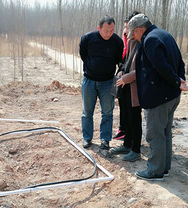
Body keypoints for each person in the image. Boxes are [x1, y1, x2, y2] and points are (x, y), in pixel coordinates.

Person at [127, 14, 188, 180]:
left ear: (140, 29)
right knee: (165, 132)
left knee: (155, 134)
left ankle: (155, 171)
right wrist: (180, 80)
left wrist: (177, 81)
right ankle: (164, 167)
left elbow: (162, 67)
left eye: (135, 34)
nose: (135, 37)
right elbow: (180, 61)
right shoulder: (164, 34)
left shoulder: (150, 40)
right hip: (171, 96)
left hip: (159, 98)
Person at [79, 15, 123, 150]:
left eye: (112, 30)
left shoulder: (117, 41)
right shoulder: (88, 39)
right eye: (106, 31)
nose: (109, 34)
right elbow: (83, 55)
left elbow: (118, 60)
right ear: (99, 28)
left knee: (107, 113)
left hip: (108, 82)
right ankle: (87, 138)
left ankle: (105, 140)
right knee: (87, 112)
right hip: (89, 81)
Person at [111, 13, 142, 162]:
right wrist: (122, 70)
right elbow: (126, 61)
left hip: (136, 87)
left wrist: (126, 77)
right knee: (127, 117)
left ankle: (135, 150)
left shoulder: (143, 43)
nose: (126, 32)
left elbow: (142, 69)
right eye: (125, 28)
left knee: (135, 118)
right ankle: (127, 144)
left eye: (128, 28)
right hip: (126, 85)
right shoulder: (130, 41)